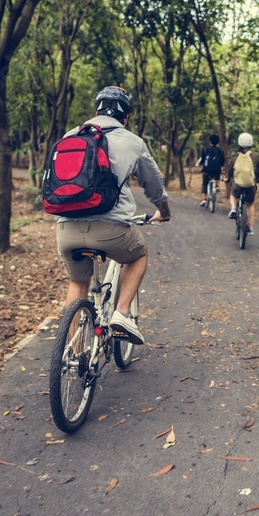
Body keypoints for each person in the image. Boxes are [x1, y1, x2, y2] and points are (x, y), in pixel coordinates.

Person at [55, 86, 171, 345]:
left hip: (66, 230)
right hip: (112, 230)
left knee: (77, 282)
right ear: (126, 117)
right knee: (138, 254)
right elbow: (154, 186)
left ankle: (75, 352)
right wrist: (163, 212)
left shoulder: (70, 136)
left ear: (95, 111)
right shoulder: (132, 141)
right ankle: (122, 312)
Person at [225, 132, 259, 234]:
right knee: (250, 204)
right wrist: (257, 179)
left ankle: (233, 208)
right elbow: (257, 170)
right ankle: (251, 228)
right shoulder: (255, 155)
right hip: (250, 185)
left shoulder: (234, 155)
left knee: (232, 195)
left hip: (238, 184)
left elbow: (231, 167)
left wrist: (228, 177)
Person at [197, 134, 224, 207]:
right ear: (217, 142)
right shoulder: (220, 151)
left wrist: (199, 164)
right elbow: (222, 162)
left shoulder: (205, 150)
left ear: (210, 142)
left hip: (207, 170)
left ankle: (203, 199)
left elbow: (202, 160)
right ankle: (217, 186)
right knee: (218, 173)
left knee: (204, 183)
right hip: (216, 171)